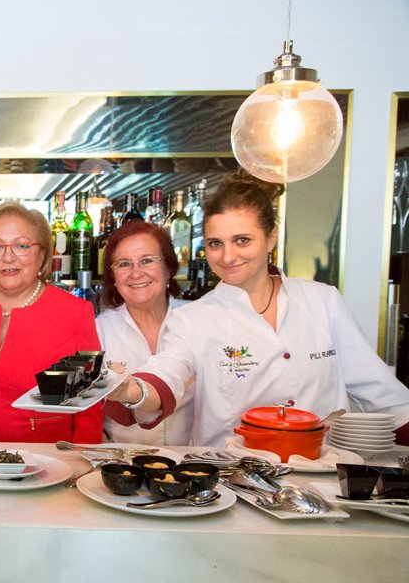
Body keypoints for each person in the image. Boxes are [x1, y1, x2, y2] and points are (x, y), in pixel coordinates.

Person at [107, 172, 409, 446]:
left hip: (322, 481)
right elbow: (166, 375)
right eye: (215, 243)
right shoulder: (194, 318)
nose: (227, 256)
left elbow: (382, 395)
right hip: (234, 483)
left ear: (271, 238)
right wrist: (130, 391)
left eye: (242, 240)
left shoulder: (322, 301)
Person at [0, 202, 103, 443]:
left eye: (22, 245)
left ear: (43, 254)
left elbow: (88, 403)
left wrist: (82, 464)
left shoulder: (74, 313)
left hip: (45, 464)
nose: (8, 257)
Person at [95, 221, 195, 445]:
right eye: (124, 264)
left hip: (192, 464)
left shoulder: (198, 320)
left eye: (147, 260)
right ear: (113, 276)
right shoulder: (100, 328)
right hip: (123, 464)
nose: (136, 273)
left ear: (169, 267)